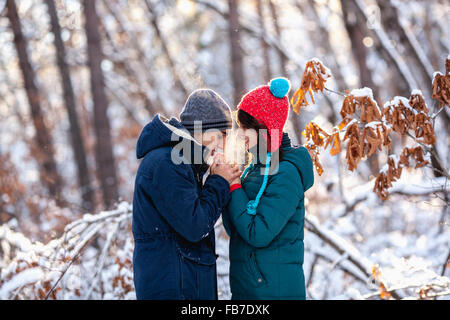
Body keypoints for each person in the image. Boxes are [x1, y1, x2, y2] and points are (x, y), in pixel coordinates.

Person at [132, 89, 241, 300]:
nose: (225, 145)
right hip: (174, 289)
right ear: (205, 132)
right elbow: (195, 226)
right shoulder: (168, 162)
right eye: (223, 135)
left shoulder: (183, 162)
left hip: (182, 285)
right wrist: (219, 181)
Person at [223, 78, 315, 300]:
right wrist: (226, 183)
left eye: (246, 128)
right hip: (250, 291)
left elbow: (258, 233)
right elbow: (235, 228)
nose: (241, 134)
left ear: (264, 129)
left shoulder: (286, 174)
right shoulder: (254, 169)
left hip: (274, 291)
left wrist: (234, 187)